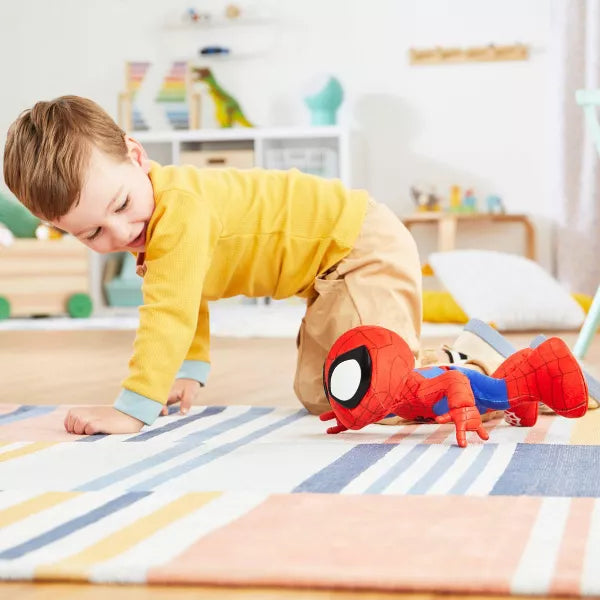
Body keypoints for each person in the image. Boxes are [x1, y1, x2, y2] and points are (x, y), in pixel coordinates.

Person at [3, 95, 429, 435]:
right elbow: (189, 293)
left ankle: (470, 368)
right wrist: (188, 370)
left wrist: (133, 408)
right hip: (328, 275)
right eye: (92, 233)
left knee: (377, 394)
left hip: (359, 247)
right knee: (322, 395)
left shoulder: (180, 210)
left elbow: (168, 313)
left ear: (136, 156)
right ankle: (422, 365)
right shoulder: (152, 223)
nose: (119, 231)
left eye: (121, 204)